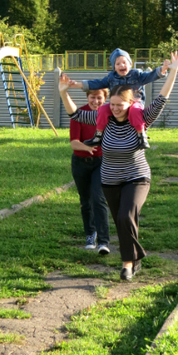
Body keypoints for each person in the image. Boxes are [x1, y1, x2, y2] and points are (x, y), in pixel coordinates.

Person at [59, 52, 178, 281]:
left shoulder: (142, 118)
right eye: (112, 105)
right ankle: (135, 260)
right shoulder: (103, 119)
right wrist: (63, 92)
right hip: (110, 180)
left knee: (126, 216)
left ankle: (127, 264)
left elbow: (162, 98)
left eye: (120, 105)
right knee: (122, 221)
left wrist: (173, 71)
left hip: (137, 177)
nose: (115, 108)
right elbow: (75, 114)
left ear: (130, 103)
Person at [63, 48, 171, 150]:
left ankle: (141, 136)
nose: (121, 65)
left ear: (130, 64)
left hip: (135, 103)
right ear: (114, 67)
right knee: (102, 110)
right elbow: (96, 83)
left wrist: (163, 69)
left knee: (135, 111)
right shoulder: (111, 77)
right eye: (118, 63)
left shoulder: (137, 75)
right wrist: (77, 84)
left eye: (124, 62)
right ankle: (98, 136)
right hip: (117, 105)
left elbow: (150, 76)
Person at [69, 88, 111, 254]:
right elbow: (74, 142)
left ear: (104, 98)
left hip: (101, 162)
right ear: (87, 97)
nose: (95, 101)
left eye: (99, 98)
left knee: (98, 198)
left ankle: (103, 241)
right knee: (85, 200)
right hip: (80, 163)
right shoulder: (79, 114)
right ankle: (90, 234)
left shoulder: (109, 114)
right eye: (92, 97)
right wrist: (87, 147)